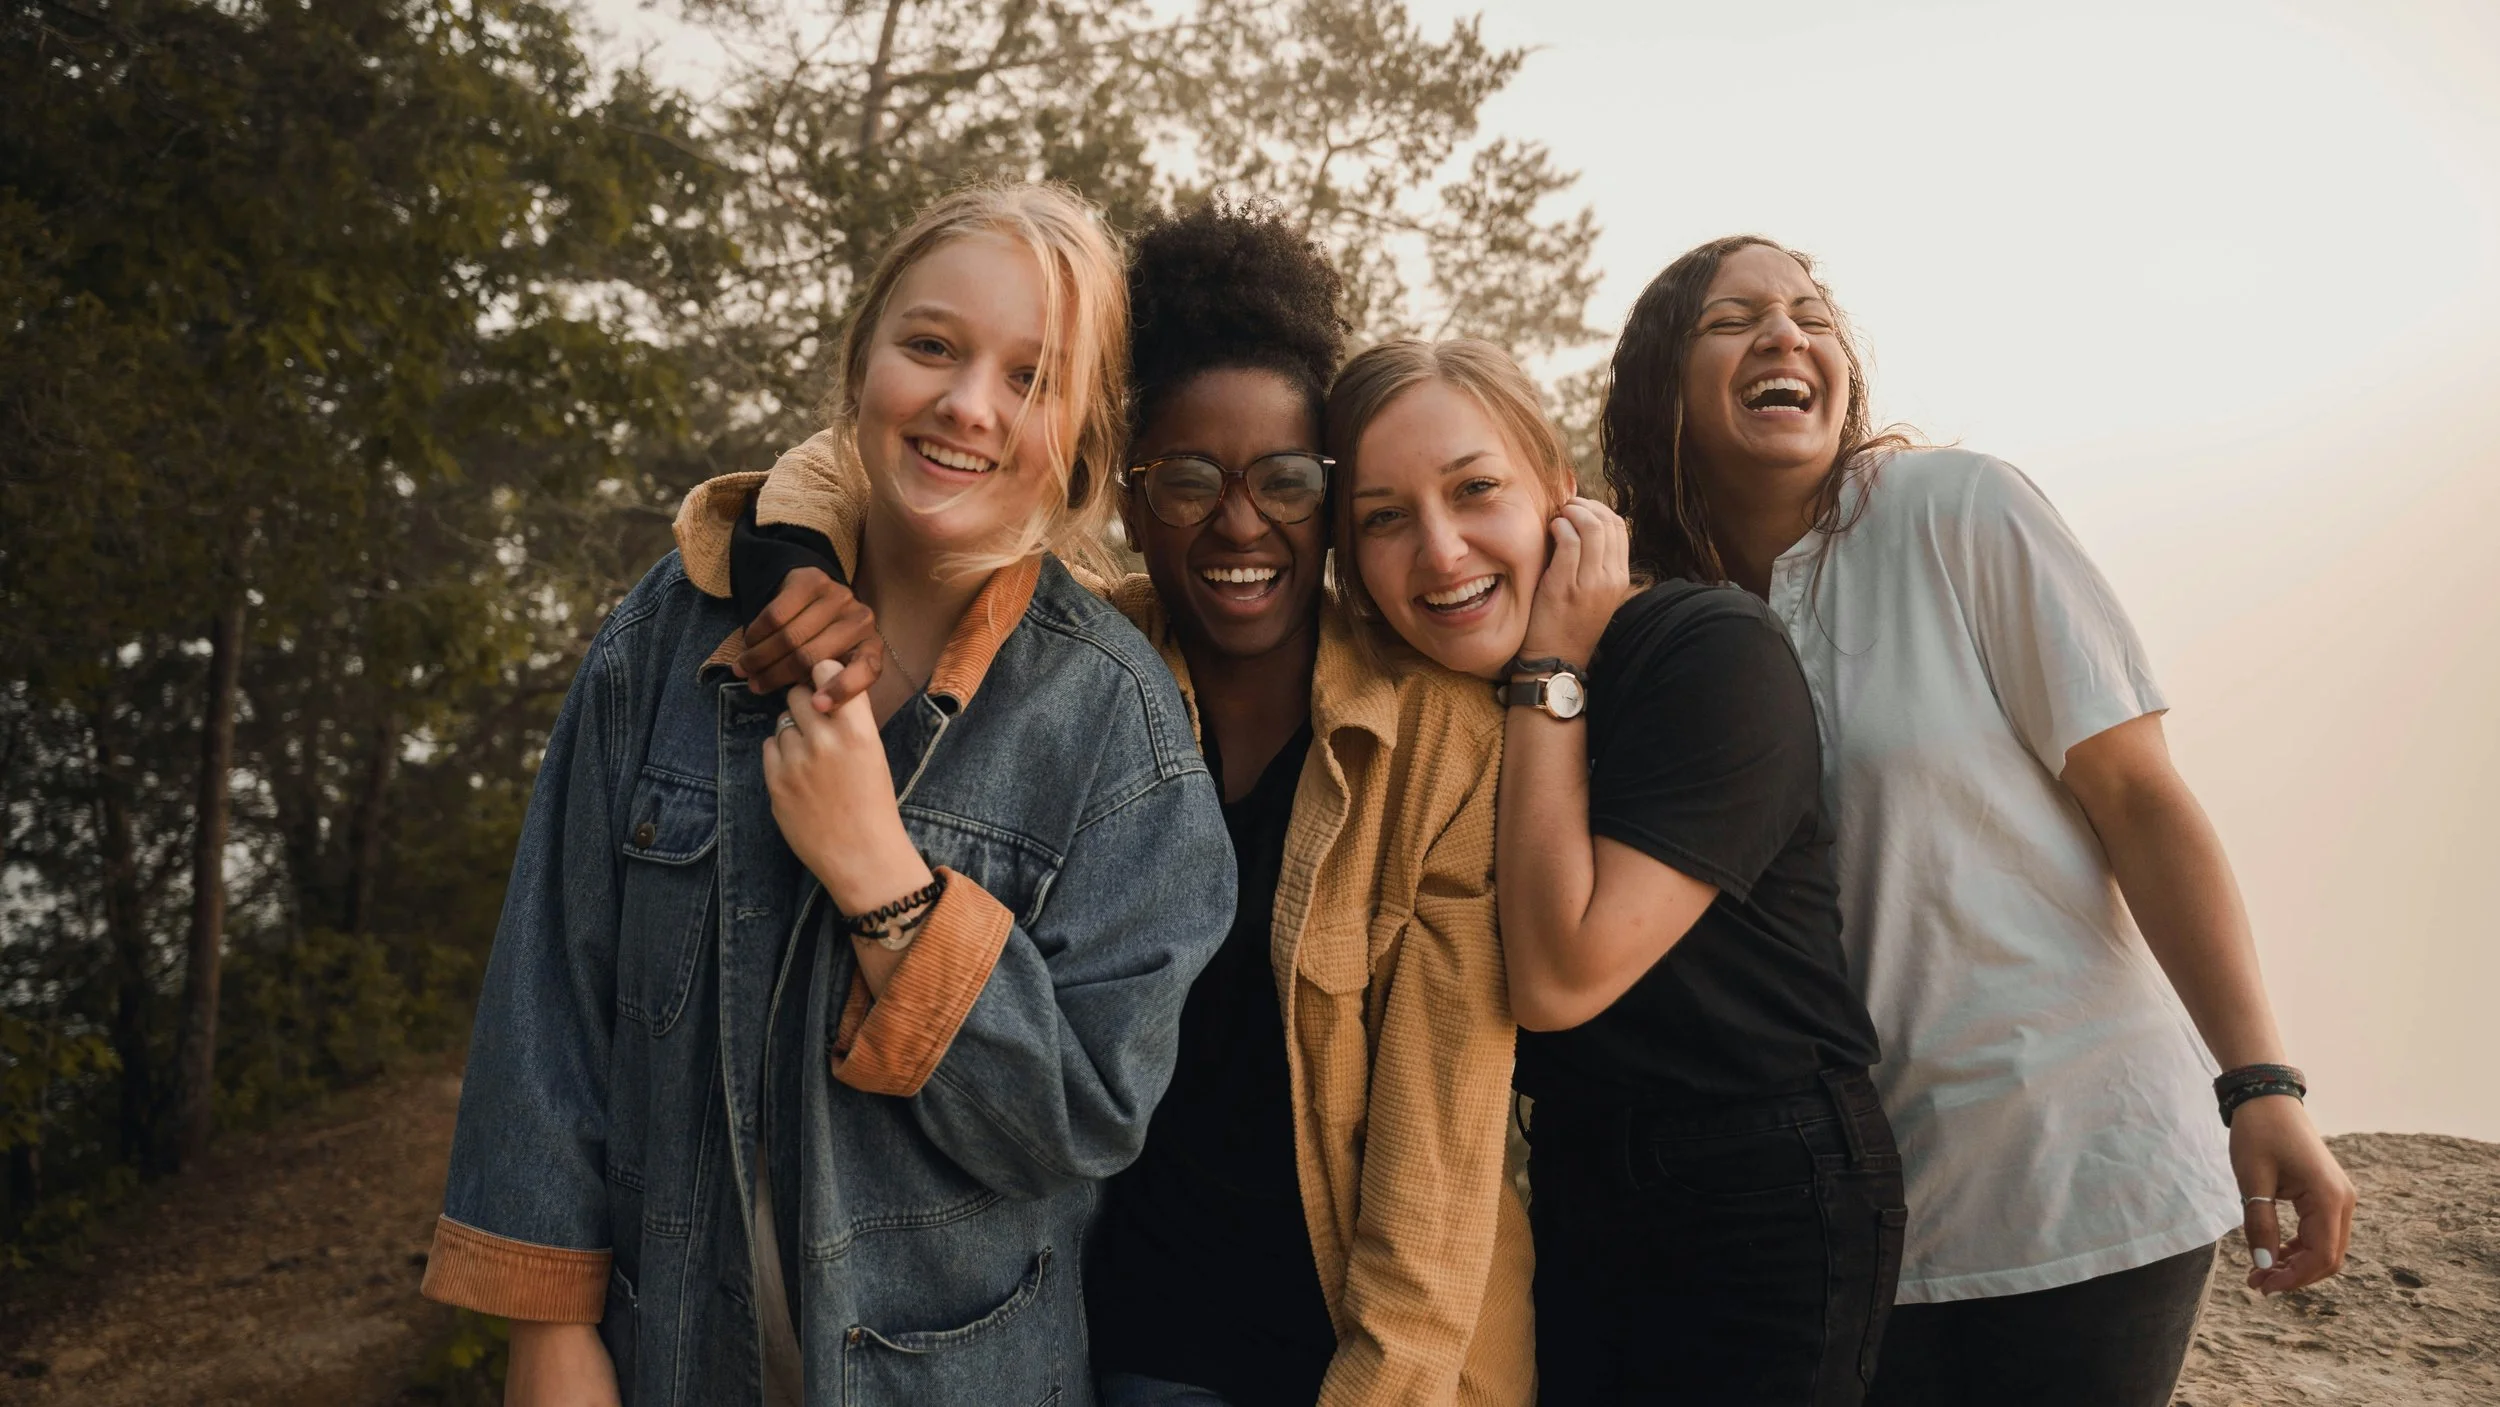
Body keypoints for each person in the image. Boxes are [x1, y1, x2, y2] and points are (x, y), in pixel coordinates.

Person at [676, 200, 1535, 1407]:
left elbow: (1440, 1148)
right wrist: (793, 551)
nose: (1240, 522)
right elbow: (834, 463)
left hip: (1371, 1357)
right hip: (1111, 1348)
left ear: (1332, 496)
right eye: (1186, 477)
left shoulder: (1439, 735)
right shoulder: (1073, 675)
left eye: (1284, 479)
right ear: (1123, 492)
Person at [420, 182, 1235, 1407]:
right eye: (932, 347)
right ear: (862, 362)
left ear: (1081, 433)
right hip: (665, 1360)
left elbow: (1084, 1115)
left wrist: (882, 881)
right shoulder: (670, 632)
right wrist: (547, 1329)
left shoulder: (1117, 725)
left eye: (1031, 377)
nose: (968, 405)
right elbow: (551, 991)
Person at [1599, 234, 2357, 1406]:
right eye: (1731, 318)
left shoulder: (1957, 510)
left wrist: (2259, 1084)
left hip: (2076, 1167)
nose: (1786, 335)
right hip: (1845, 1209)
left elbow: (2139, 799)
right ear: (1663, 389)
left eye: (1809, 313)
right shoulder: (1652, 623)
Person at [1328, 337, 1902, 1404]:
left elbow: (1557, 978)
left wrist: (1550, 672)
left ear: (1558, 490)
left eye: (1475, 490)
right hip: (1580, 1188)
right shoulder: (1429, 712)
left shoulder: (1707, 649)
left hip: (1759, 1185)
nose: (1442, 552)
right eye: (1383, 517)